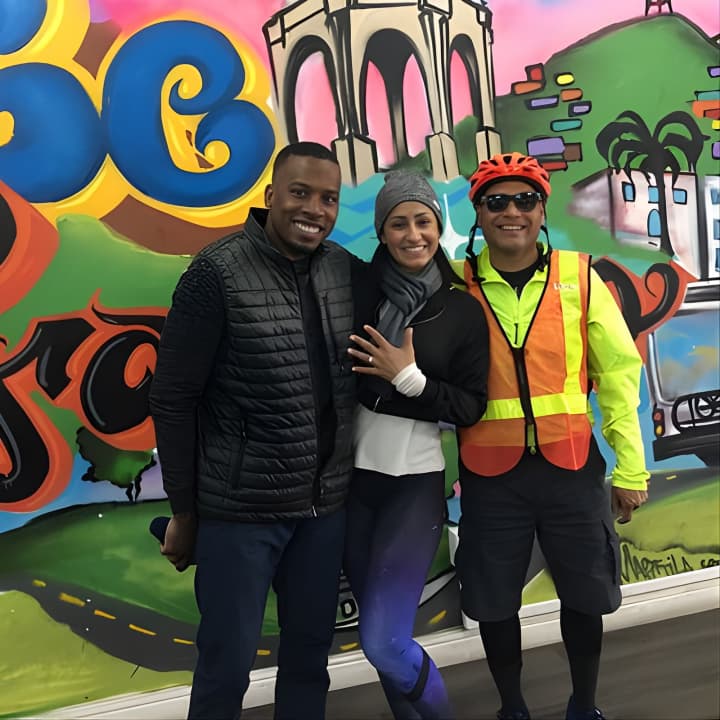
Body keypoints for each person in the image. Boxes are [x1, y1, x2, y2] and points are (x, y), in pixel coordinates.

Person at [148, 141, 360, 720]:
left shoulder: (342, 268)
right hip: (241, 513)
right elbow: (172, 398)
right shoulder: (215, 273)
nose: (314, 209)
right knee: (227, 665)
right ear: (271, 196)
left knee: (310, 657)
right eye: (300, 193)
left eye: (328, 199)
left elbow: (414, 283)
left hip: (323, 510)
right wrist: (185, 512)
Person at [454, 152, 650, 720]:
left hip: (571, 468)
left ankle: (583, 706)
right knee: (494, 602)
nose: (511, 211)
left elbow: (619, 376)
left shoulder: (580, 276)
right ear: (479, 213)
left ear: (542, 211)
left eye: (525, 200)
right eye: (496, 201)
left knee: (585, 595)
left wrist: (631, 468)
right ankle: (511, 708)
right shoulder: (456, 283)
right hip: (490, 475)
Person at [345, 171, 490, 720]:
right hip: (347, 486)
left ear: (438, 225)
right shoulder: (355, 292)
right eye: (398, 223)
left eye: (423, 221)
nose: (413, 235)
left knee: (384, 642)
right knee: (382, 645)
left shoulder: (460, 310)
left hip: (412, 484)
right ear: (382, 232)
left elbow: (471, 406)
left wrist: (408, 379)